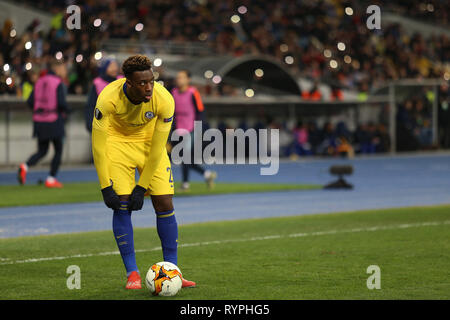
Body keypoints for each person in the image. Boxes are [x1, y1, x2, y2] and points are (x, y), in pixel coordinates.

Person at [91, 55, 195, 290]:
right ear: (128, 82)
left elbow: (159, 147)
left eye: (151, 81)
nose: (149, 87)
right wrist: (105, 186)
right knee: (121, 203)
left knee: (164, 202)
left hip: (150, 145)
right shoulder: (108, 97)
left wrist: (142, 186)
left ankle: (173, 272)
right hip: (117, 144)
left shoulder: (164, 99)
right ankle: (132, 274)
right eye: (142, 83)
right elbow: (98, 146)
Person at [17, 59, 69, 188]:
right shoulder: (57, 83)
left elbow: (30, 101)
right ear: (56, 69)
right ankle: (51, 179)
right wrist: (68, 111)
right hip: (53, 120)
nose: (65, 71)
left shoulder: (40, 81)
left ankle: (25, 166)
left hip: (39, 120)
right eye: (63, 68)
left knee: (42, 150)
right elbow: (62, 103)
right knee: (58, 150)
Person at [171, 70, 217, 191]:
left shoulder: (193, 93)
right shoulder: (174, 92)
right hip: (178, 130)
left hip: (191, 129)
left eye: (181, 77)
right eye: (178, 77)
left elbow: (200, 111)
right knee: (183, 158)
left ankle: (185, 184)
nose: (178, 80)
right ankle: (207, 174)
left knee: (185, 156)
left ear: (188, 80)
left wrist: (199, 129)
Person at [85, 59, 120, 132]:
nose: (115, 68)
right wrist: (90, 123)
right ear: (105, 68)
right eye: (111, 66)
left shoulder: (122, 81)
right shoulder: (97, 83)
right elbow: (91, 105)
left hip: (119, 124)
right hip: (102, 124)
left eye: (115, 66)